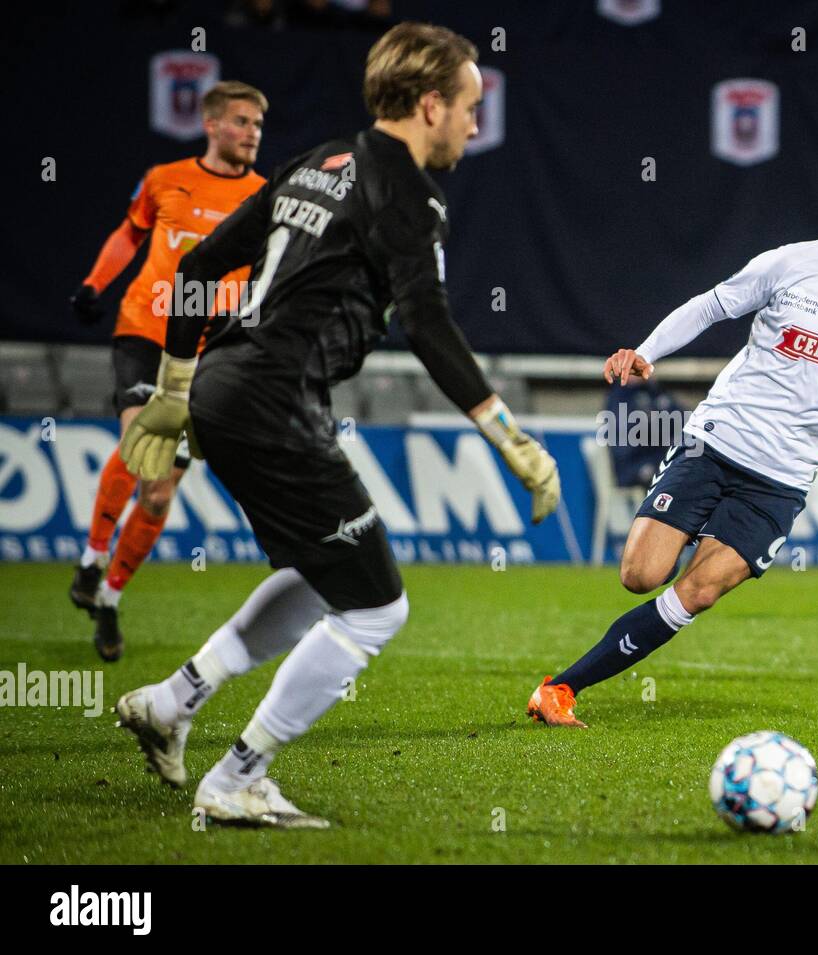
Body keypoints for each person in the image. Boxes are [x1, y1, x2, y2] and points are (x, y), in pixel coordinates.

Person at [113, 22, 560, 827]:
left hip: (224, 387)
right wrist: (510, 437)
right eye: (467, 106)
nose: (472, 123)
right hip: (278, 400)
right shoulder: (410, 196)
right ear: (429, 105)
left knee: (327, 573)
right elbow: (426, 324)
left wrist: (178, 387)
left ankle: (173, 700)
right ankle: (238, 776)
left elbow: (198, 265)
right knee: (377, 607)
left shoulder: (320, 160)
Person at [527, 139, 818, 727]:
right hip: (719, 440)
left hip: (783, 477)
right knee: (640, 576)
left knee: (700, 591)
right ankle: (682, 524)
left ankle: (559, 690)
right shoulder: (786, 264)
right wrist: (646, 352)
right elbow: (710, 307)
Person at [68, 81, 269, 662]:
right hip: (147, 330)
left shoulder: (266, 196)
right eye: (240, 121)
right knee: (141, 440)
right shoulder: (164, 179)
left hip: (208, 349)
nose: (251, 132)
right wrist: (94, 284)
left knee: (157, 494)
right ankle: (92, 556)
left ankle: (107, 597)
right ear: (210, 125)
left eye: (257, 123)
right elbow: (131, 232)